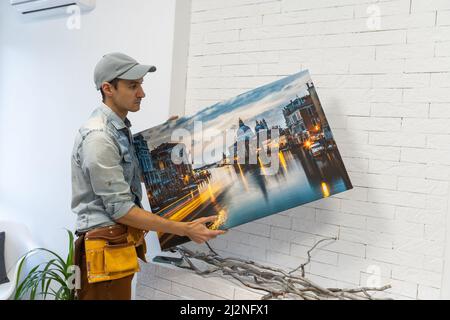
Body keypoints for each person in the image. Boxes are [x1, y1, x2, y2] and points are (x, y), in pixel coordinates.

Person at [71, 52, 225, 300]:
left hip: (114, 245)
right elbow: (121, 209)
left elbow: (135, 171)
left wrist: (163, 135)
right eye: (133, 86)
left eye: (141, 84)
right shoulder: (99, 137)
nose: (142, 93)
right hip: (103, 251)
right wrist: (184, 228)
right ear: (108, 88)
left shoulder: (119, 129)